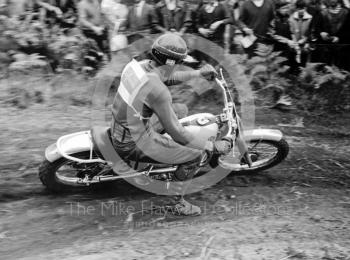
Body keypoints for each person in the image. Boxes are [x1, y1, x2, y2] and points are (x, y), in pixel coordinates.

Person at [111, 33, 232, 216]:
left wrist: (198, 74)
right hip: (132, 141)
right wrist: (212, 146)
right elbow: (178, 133)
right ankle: (176, 203)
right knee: (194, 155)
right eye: (180, 61)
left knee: (180, 110)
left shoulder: (139, 67)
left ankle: (165, 156)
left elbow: (168, 78)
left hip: (122, 125)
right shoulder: (158, 92)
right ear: (171, 63)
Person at [314, 0, 348, 65]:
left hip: (343, 49)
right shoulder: (323, 13)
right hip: (326, 49)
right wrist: (321, 33)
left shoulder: (346, 13)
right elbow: (316, 28)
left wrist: (339, 38)